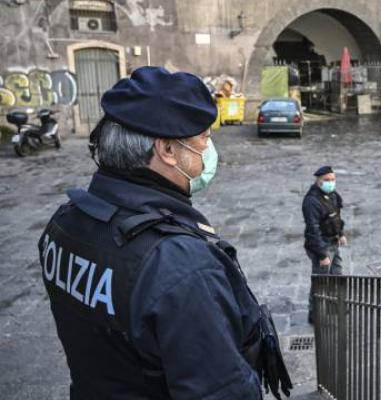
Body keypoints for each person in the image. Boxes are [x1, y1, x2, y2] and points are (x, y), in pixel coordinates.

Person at [38, 66, 291, 399]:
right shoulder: (180, 265)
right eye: (204, 138)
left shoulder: (64, 223)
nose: (209, 150)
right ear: (168, 151)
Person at [302, 166, 346, 323]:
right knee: (320, 281)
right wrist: (322, 255)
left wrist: (340, 234)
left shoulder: (331, 195)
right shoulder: (312, 201)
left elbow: (335, 216)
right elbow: (313, 230)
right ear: (318, 181)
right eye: (327, 180)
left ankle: (334, 307)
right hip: (322, 246)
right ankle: (315, 314)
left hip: (333, 242)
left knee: (336, 275)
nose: (330, 183)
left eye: (333, 179)